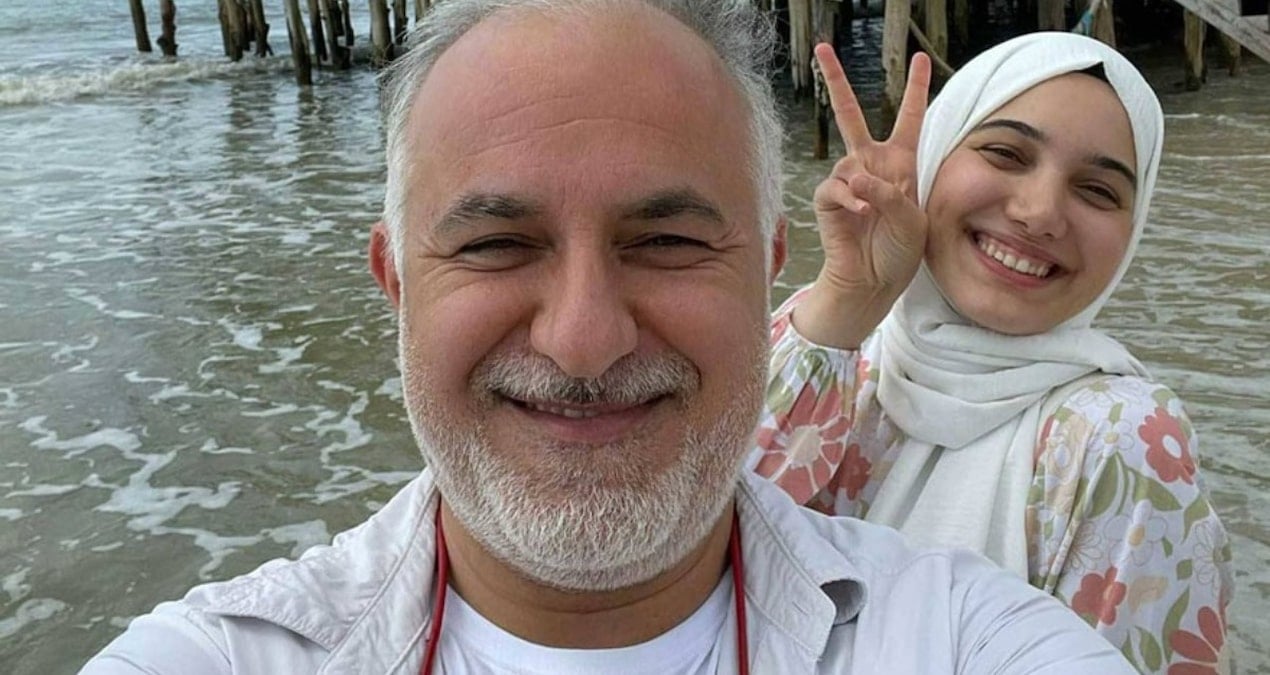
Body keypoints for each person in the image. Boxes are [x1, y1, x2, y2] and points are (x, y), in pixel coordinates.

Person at [82, 3, 1137, 673]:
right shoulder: (226, 655)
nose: (583, 340)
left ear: (767, 266)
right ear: (395, 280)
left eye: (667, 241)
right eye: (497, 244)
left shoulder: (959, 634)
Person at [753, 32, 1233, 673]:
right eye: (1005, 153)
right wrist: (849, 296)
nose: (1039, 214)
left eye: (1098, 191)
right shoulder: (829, 343)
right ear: (934, 158)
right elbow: (674, 563)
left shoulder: (1123, 440)